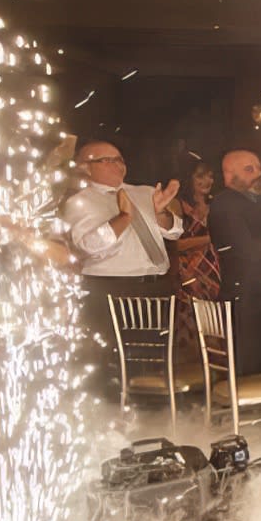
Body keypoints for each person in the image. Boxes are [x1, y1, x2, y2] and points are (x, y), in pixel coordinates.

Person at [61, 141, 182, 383]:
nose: (118, 165)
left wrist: (161, 213)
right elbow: (87, 246)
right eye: (107, 160)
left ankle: (158, 409)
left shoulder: (145, 192)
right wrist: (124, 218)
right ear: (85, 167)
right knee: (118, 361)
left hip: (157, 285)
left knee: (158, 356)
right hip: (111, 288)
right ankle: (119, 409)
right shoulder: (79, 202)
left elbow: (174, 231)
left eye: (120, 159)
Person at [208, 149, 261, 375]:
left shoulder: (258, 201)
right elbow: (245, 249)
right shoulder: (226, 203)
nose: (258, 174)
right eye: (250, 169)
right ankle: (246, 408)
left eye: (259, 168)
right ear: (229, 175)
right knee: (250, 365)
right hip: (247, 297)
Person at [172, 158, 222, 361]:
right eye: (200, 176)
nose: (207, 180)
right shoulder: (178, 205)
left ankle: (217, 373)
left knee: (215, 324)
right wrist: (212, 237)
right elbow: (175, 244)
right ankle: (191, 373)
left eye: (210, 176)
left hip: (215, 271)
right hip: (189, 273)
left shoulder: (216, 204)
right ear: (189, 178)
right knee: (191, 322)